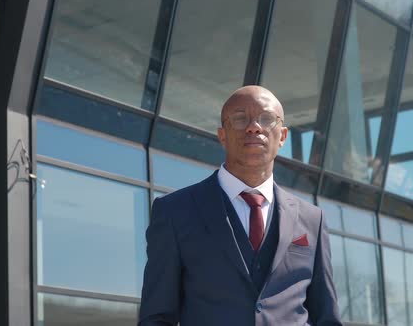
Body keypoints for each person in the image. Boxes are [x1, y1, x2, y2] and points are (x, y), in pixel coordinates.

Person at [138, 86, 342, 326]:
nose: (254, 127)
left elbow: (326, 317)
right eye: (239, 119)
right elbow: (157, 317)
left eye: (266, 119)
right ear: (222, 135)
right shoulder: (174, 211)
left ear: (283, 136)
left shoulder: (312, 219)